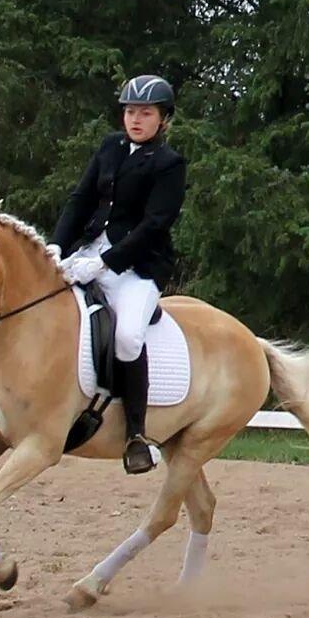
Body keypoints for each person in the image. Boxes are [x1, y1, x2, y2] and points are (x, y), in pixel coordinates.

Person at [48, 74, 187, 475]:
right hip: (86, 252)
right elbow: (81, 199)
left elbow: (154, 224)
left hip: (137, 267)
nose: (135, 119)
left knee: (128, 336)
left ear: (163, 119)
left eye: (145, 113)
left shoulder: (169, 164)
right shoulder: (110, 147)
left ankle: (136, 435)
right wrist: (58, 244)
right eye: (130, 112)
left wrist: (107, 263)